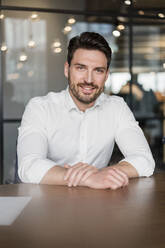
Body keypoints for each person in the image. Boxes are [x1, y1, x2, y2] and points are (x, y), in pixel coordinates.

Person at [17, 32, 155, 189]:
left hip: (101, 202)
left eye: (98, 70)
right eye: (81, 68)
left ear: (106, 75)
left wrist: (106, 174)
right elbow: (28, 167)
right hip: (49, 203)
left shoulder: (116, 107)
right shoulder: (40, 107)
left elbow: (144, 160)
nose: (89, 80)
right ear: (67, 69)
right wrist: (88, 179)